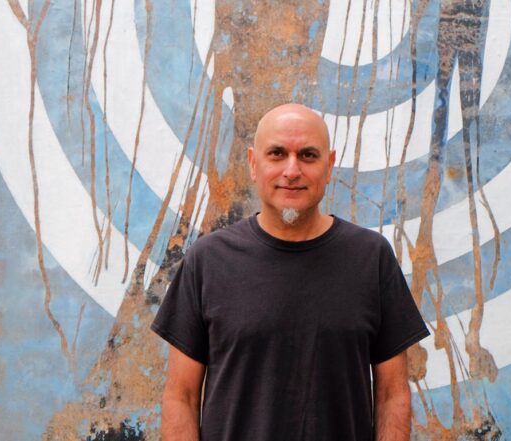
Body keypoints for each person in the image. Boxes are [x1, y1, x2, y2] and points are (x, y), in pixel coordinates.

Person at [151, 103, 430, 441]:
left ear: (329, 165)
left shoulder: (372, 258)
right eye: (277, 154)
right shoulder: (208, 260)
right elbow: (181, 397)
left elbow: (392, 394)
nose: (292, 170)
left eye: (308, 155)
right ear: (253, 164)